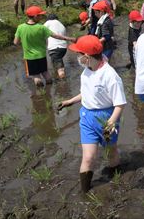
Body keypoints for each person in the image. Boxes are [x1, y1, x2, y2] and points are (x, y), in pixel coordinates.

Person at [58, 35, 126, 193]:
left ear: (87, 57)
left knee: (111, 150)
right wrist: (70, 101)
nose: (77, 57)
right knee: (88, 157)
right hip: (87, 117)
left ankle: (115, 172)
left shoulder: (110, 76)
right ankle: (85, 191)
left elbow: (120, 103)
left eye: (78, 54)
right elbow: (86, 93)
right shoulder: (87, 70)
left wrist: (111, 122)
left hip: (106, 119)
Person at [14, 6, 74, 86]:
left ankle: (42, 94)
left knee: (36, 75)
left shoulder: (20, 27)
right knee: (45, 73)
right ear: (35, 16)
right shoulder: (41, 27)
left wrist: (25, 41)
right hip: (41, 55)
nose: (41, 17)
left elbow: (15, 42)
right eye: (40, 15)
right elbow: (55, 36)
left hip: (29, 57)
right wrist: (69, 38)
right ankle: (50, 89)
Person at [44, 14, 68, 79]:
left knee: (60, 69)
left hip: (54, 48)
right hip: (63, 48)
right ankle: (57, 75)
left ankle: (62, 83)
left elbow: (42, 32)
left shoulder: (47, 23)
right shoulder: (61, 24)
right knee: (57, 61)